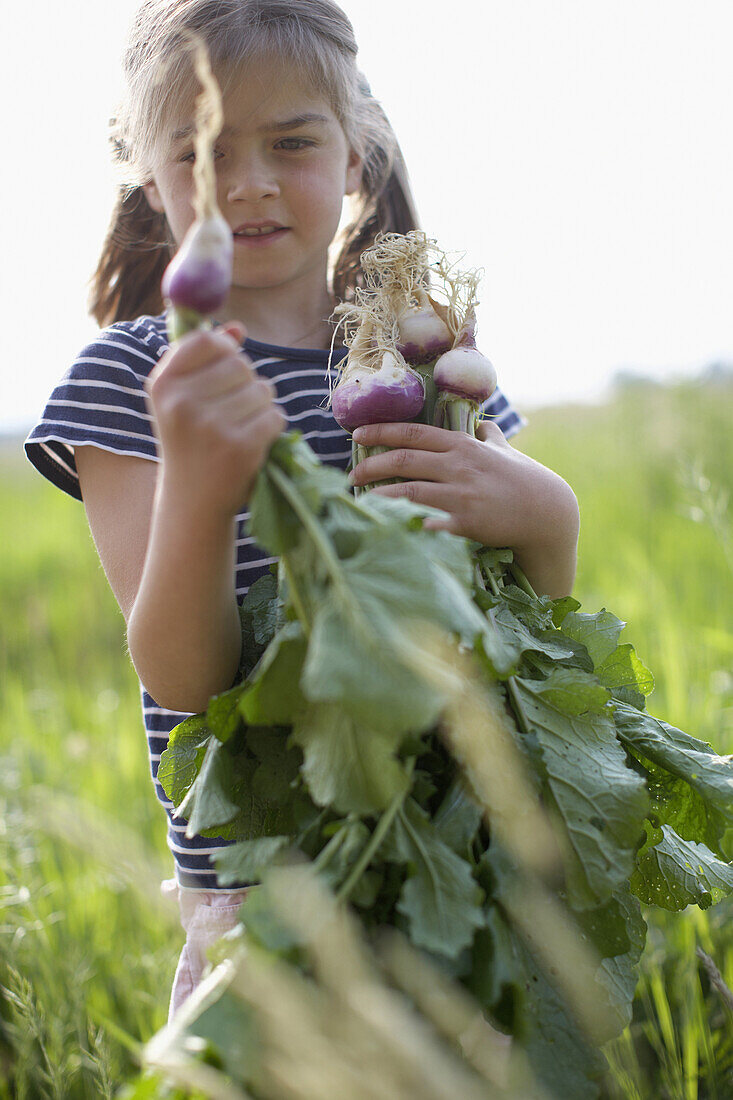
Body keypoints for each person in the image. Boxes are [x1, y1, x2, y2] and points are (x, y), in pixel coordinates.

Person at [25, 0, 580, 1018]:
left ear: (355, 153)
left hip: (461, 842)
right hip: (270, 878)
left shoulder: (421, 359)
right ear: (150, 179)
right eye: (202, 153)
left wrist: (549, 521)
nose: (248, 183)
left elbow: (516, 629)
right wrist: (200, 482)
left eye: (292, 142)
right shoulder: (139, 376)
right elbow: (185, 680)